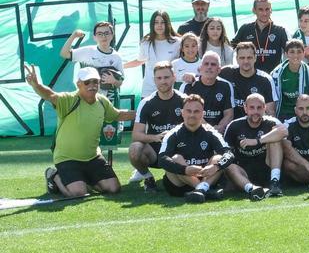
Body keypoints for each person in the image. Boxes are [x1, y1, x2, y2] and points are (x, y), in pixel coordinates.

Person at [27, 65, 134, 198]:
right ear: (78, 84)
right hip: (67, 158)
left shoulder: (102, 101)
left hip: (93, 157)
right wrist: (36, 85)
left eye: (95, 81)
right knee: (79, 193)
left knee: (114, 188)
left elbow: (117, 114)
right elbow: (50, 95)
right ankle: (54, 176)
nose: (92, 85)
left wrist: (142, 112)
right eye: (87, 82)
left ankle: (83, 179)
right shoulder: (69, 99)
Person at [156, 94, 234, 203]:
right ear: (182, 113)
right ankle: (202, 189)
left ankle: (201, 189)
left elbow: (229, 154)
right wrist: (185, 169)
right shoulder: (173, 134)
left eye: (196, 111)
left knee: (218, 158)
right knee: (176, 158)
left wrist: (216, 166)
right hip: (180, 183)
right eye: (189, 111)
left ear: (203, 114)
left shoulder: (211, 132)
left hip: (206, 178)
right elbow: (162, 159)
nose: (192, 115)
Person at [128, 62, 184, 190]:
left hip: (179, 149)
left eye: (166, 77)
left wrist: (174, 135)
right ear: (154, 80)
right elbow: (136, 134)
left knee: (179, 185)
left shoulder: (183, 100)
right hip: (155, 152)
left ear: (174, 77)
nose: (163, 81)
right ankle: (147, 177)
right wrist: (156, 137)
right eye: (159, 78)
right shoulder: (146, 102)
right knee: (135, 149)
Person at [223, 93, 285, 200]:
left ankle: (275, 182)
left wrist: (257, 141)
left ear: (265, 108)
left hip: (266, 168)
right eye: (252, 107)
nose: (255, 111)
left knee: (275, 139)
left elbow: (284, 131)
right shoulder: (234, 125)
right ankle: (252, 189)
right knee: (229, 165)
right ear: (245, 108)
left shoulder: (272, 122)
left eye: (259, 107)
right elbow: (225, 152)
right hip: (244, 173)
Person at [219, 42, 276, 120]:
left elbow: (270, 113)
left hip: (255, 124)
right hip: (229, 124)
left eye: (249, 58)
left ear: (255, 58)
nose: (246, 61)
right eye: (242, 58)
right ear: (236, 59)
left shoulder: (265, 79)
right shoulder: (225, 73)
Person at [234, 0, 289, 71]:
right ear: (254, 10)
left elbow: (290, 50)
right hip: (249, 75)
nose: (264, 13)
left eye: (267, 9)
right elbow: (231, 47)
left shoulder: (280, 30)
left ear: (271, 10)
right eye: (260, 9)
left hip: (273, 76)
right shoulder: (245, 29)